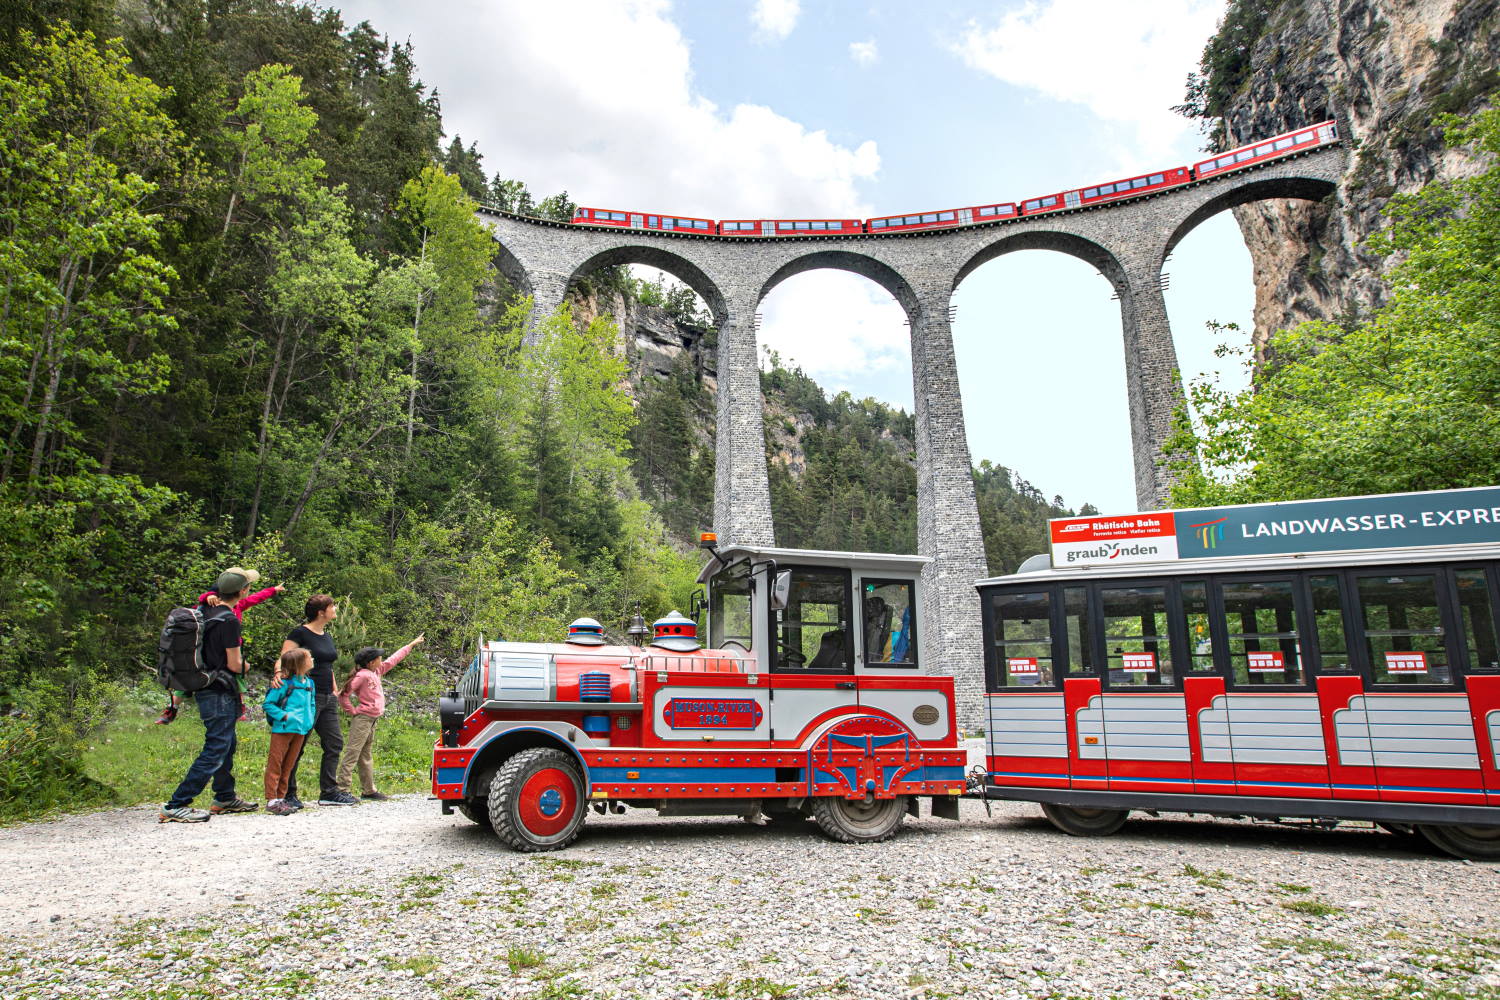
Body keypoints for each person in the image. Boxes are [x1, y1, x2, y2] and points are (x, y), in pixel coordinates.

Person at [158, 569, 261, 822]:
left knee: (228, 743)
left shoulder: (204, 611)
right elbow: (235, 664)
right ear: (243, 591)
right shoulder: (229, 619)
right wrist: (247, 666)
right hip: (219, 690)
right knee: (216, 747)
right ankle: (177, 804)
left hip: (205, 685)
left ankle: (224, 796)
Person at [155, 572, 285, 725]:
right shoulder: (211, 605)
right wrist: (207, 596)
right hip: (210, 649)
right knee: (194, 678)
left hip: (232, 647)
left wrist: (273, 590)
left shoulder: (238, 605)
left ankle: (240, 707)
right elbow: (204, 600)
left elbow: (256, 598)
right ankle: (172, 708)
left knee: (238, 676)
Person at [273, 595, 356, 807]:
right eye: (332, 606)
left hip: (327, 695)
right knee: (297, 744)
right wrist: (278, 675)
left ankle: (328, 792)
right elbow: (284, 657)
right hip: (304, 695)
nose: (335, 609)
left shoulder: (326, 636)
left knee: (334, 742)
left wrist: (335, 687)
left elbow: (326, 664)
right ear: (321, 612)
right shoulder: (300, 633)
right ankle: (288, 793)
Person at [336, 634, 424, 801]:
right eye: (378, 658)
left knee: (365, 754)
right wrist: (352, 711)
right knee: (353, 752)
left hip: (372, 720)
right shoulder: (362, 675)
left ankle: (368, 790)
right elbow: (343, 694)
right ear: (370, 662)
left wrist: (410, 645)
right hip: (362, 719)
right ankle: (342, 789)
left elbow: (393, 659)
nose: (381, 660)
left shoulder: (376, 671)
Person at [263, 648, 317, 816]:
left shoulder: (309, 683)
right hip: (283, 729)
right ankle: (272, 799)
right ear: (299, 664)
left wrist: (310, 720)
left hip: (301, 729)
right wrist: (284, 716)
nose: (312, 659)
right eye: (309, 657)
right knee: (276, 763)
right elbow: (268, 704)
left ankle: (282, 798)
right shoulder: (284, 684)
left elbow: (312, 703)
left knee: (289, 765)